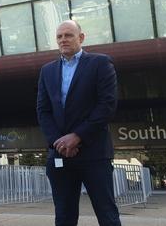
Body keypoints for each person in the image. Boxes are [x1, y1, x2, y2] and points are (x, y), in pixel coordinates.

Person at [36, 20, 121, 226]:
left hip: (94, 154)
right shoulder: (47, 71)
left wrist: (77, 136)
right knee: (64, 215)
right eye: (59, 36)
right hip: (60, 155)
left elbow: (107, 105)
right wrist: (60, 142)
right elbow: (43, 110)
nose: (63, 40)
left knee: (107, 213)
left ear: (81, 38)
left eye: (68, 35)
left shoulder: (100, 63)